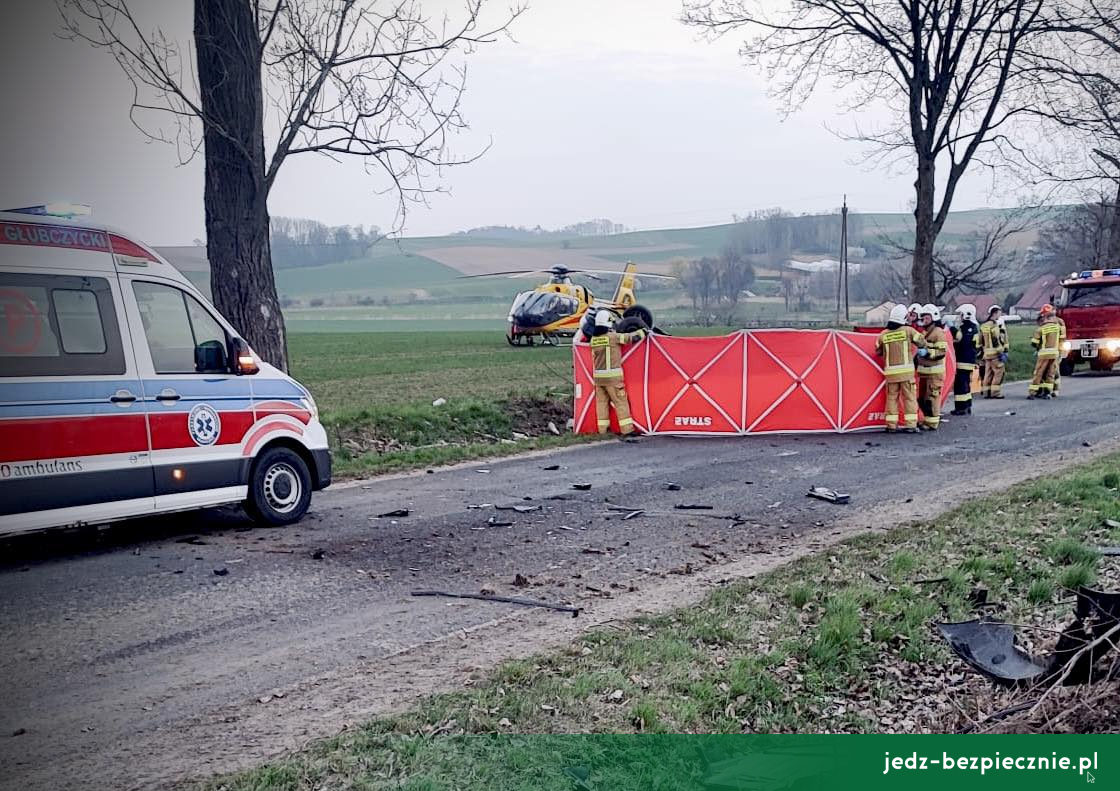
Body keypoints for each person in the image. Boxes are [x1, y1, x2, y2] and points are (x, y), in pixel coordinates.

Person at [587, 309, 647, 439]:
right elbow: (631, 338)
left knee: (602, 404)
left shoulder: (593, 339)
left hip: (598, 379)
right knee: (621, 402)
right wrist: (644, 331)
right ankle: (627, 430)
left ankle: (603, 431)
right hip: (613, 379)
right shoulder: (613, 337)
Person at [876, 304, 928, 433]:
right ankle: (911, 425)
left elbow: (878, 351)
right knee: (909, 398)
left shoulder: (883, 334)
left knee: (891, 399)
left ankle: (891, 425)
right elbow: (922, 341)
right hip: (906, 374)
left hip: (890, 374)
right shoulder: (908, 331)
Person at [917, 303, 948, 430]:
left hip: (934, 373)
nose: (924, 320)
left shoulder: (938, 333)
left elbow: (941, 352)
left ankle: (932, 422)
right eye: (923, 317)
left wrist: (927, 353)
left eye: (927, 317)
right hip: (925, 372)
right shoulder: (925, 332)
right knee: (923, 398)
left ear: (934, 317)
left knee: (932, 398)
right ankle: (926, 420)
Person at [950, 303, 980, 415]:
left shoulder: (967, 328)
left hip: (963, 360)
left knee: (960, 385)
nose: (960, 317)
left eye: (961, 314)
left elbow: (962, 342)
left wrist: (952, 329)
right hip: (968, 360)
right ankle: (967, 405)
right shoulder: (973, 328)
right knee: (965, 383)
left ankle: (961, 408)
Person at [1028, 304, 1062, 399]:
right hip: (1055, 353)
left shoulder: (1041, 329)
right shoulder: (1057, 327)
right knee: (1050, 374)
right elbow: (1061, 338)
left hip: (1043, 354)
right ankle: (1048, 392)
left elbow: (1034, 343)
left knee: (1038, 373)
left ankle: (1033, 392)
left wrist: (1034, 342)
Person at [979, 305, 1008, 398]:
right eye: (999, 313)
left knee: (988, 373)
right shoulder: (994, 325)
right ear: (994, 313)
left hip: (986, 354)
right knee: (998, 373)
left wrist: (982, 352)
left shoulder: (983, 326)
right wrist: (1001, 352)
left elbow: (979, 341)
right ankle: (995, 393)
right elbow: (996, 340)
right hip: (995, 354)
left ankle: (986, 392)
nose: (1000, 315)